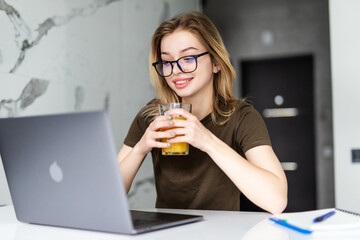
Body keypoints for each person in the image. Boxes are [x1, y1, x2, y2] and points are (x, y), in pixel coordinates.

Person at [118, 11, 287, 214]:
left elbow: (276, 201)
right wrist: (140, 148)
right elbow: (107, 196)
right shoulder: (152, 117)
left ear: (216, 62)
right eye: (167, 61)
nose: (176, 70)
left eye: (188, 58)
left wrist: (207, 141)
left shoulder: (242, 117)